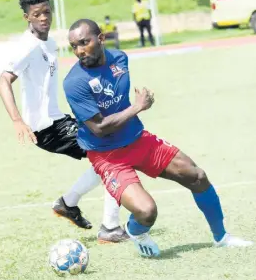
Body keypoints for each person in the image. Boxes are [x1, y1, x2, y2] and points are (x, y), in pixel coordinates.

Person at [63, 18, 253, 257]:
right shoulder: (74, 82)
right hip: (107, 156)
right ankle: (135, 231)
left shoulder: (120, 59)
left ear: (100, 38)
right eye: (74, 46)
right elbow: (100, 128)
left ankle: (221, 237)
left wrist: (134, 108)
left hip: (138, 140)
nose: (80, 51)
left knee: (197, 176)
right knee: (146, 212)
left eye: (84, 42)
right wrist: (137, 107)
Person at [0, 0, 128, 244]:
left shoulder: (50, 42)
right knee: (112, 155)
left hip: (59, 120)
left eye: (46, 12)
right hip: (46, 128)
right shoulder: (28, 46)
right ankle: (109, 228)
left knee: (108, 156)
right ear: (27, 17)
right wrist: (17, 120)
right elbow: (2, 81)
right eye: (36, 14)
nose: (43, 18)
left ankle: (69, 204)